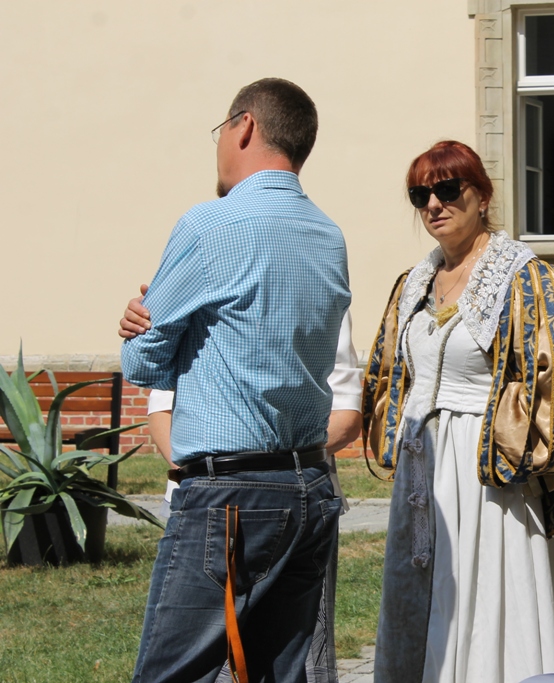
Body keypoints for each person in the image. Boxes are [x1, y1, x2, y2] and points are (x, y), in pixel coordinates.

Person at [120, 78, 349, 682]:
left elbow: (142, 363)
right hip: (308, 484)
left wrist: (143, 324)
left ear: (244, 126)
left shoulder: (210, 225)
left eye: (220, 129)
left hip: (229, 493)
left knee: (173, 673)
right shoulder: (327, 234)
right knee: (280, 672)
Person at [363, 140, 554, 682]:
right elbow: (390, 372)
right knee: (424, 600)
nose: (434, 204)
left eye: (448, 189)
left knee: (491, 603)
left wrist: (518, 443)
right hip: (422, 469)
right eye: (420, 195)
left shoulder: (523, 277)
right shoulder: (414, 283)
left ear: (482, 195)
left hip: (491, 478)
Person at [121, 308, 362, 683]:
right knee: (197, 662)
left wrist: (267, 469)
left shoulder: (315, 289)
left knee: (287, 666)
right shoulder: (197, 288)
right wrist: (208, 476)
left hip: (295, 501)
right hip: (211, 502)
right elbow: (161, 406)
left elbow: (346, 416)